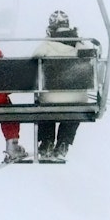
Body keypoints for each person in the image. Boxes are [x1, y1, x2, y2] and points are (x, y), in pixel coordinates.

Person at [32, 9, 90, 161]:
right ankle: (63, 143)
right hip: (77, 97)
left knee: (44, 106)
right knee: (73, 108)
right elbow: (90, 57)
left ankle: (47, 142)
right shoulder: (80, 44)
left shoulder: (48, 44)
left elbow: (34, 57)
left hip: (51, 96)